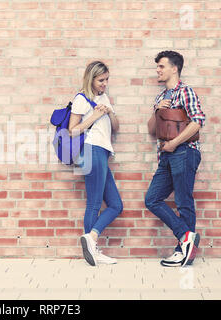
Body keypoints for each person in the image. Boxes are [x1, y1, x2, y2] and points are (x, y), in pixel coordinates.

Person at [145, 51, 206, 267]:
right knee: (152, 199)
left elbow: (197, 121)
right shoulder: (160, 98)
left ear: (174, 68)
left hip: (184, 151)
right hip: (166, 156)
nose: (158, 70)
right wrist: (156, 111)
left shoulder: (186, 92)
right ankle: (186, 237)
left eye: (161, 66)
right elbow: (152, 130)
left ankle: (183, 252)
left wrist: (174, 143)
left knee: (183, 202)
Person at [68, 61, 123, 266]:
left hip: (102, 152)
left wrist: (108, 111)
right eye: (101, 80)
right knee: (94, 203)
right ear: (91, 79)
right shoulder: (81, 99)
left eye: (107, 80)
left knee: (116, 205)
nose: (104, 84)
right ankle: (93, 247)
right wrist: (95, 115)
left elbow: (116, 127)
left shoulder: (104, 98)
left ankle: (91, 238)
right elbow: (72, 130)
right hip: (90, 151)